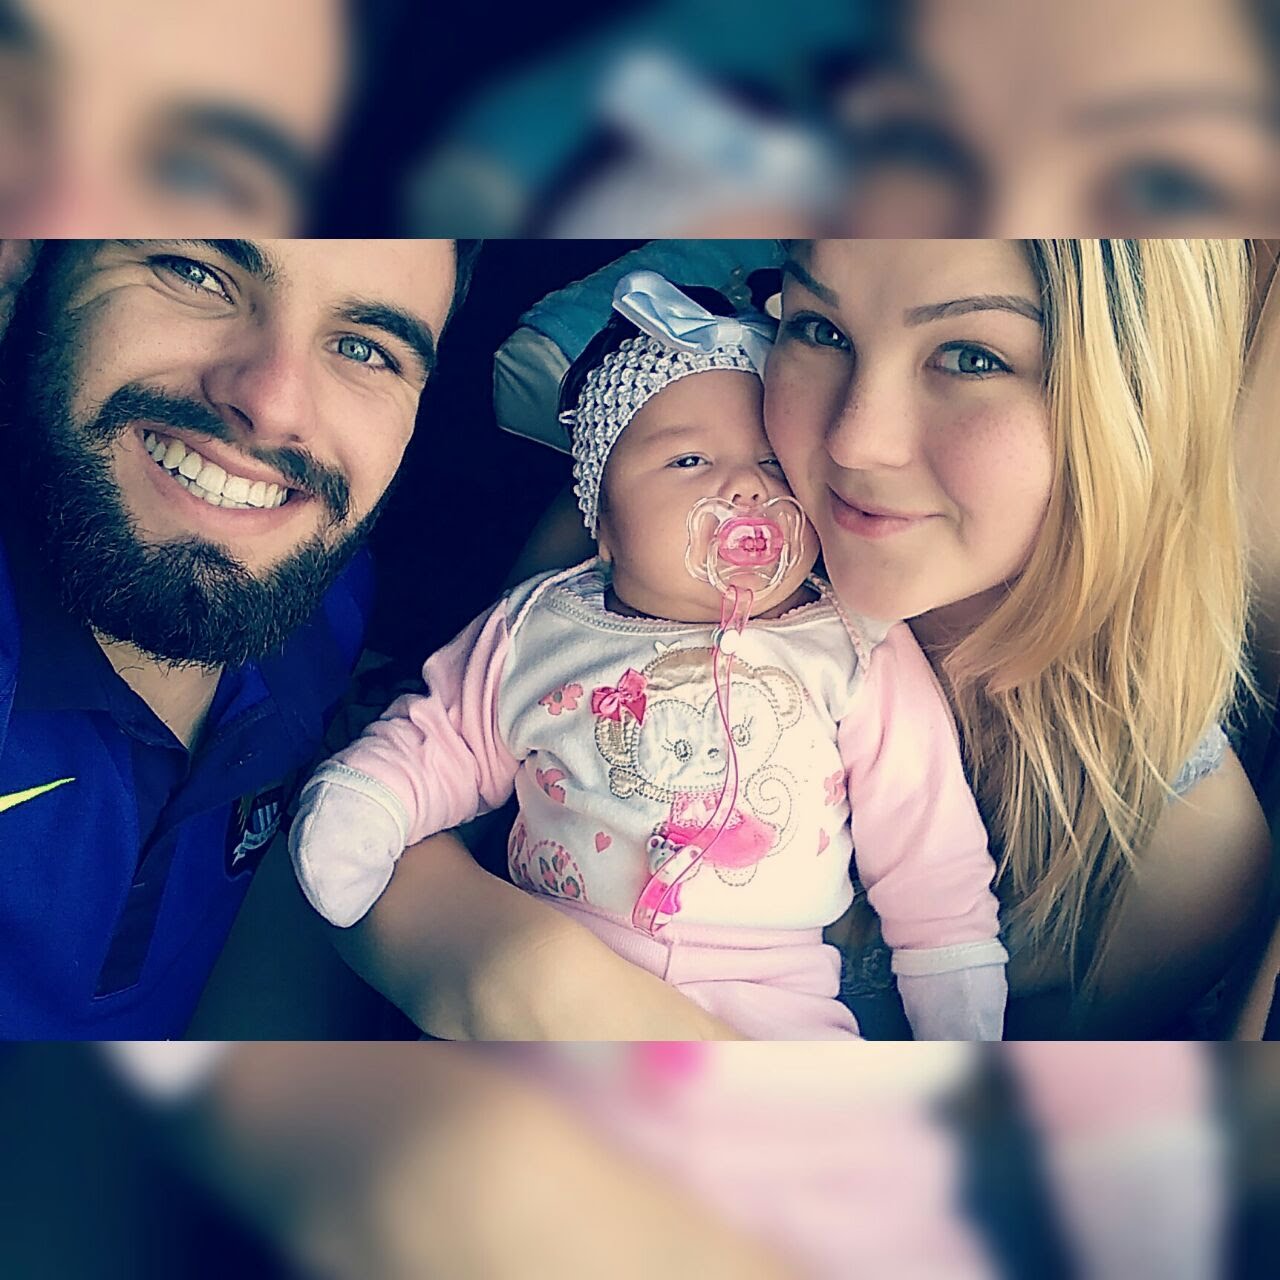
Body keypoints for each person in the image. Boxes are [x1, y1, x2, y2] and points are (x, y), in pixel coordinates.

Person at [335, 238, 1272, 1041]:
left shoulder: (1175, 862)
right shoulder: (650, 519)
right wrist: (531, 972)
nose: (854, 440)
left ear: (1136, 403)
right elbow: (399, 800)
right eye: (820, 328)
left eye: (972, 356)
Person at [291, 270, 1008, 1040]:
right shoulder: (539, 626)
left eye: (772, 464)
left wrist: (958, 1007)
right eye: (689, 462)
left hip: (777, 998)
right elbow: (443, 741)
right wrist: (368, 802)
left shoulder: (856, 644)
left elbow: (929, 853)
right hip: (562, 978)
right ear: (602, 521)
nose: (745, 488)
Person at [0, 236, 476, 1038]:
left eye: (364, 348)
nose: (274, 403)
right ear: (24, 268)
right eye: (197, 274)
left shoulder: (323, 604)